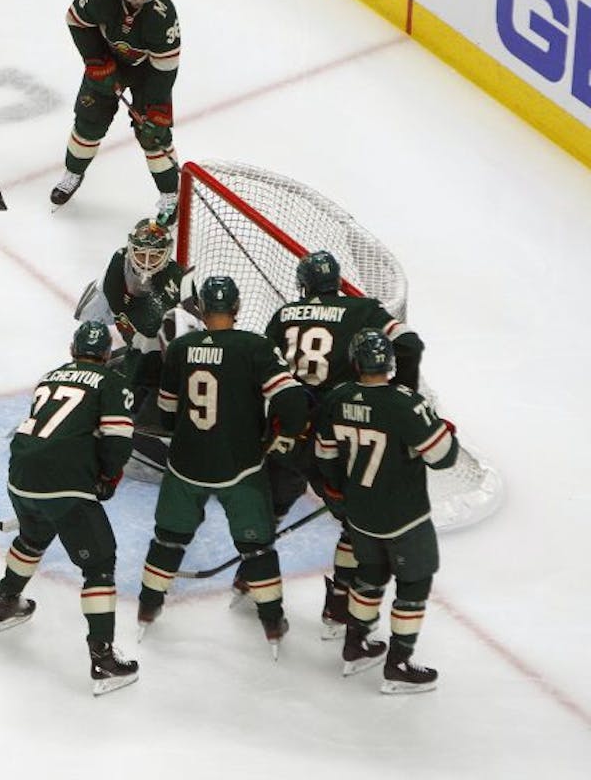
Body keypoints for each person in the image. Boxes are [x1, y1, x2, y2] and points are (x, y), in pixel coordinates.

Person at [137, 276, 308, 656]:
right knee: (257, 548)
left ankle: (148, 608)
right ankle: (272, 623)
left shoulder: (181, 348)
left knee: (168, 539)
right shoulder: (254, 347)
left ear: (202, 308)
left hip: (185, 463)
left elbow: (165, 414)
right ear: (237, 307)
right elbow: (293, 400)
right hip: (240, 465)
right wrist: (286, 438)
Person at [262, 249, 425, 635]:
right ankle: (338, 609)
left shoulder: (284, 314)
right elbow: (410, 344)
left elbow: (264, 370)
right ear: (337, 282)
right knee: (355, 526)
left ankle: (250, 582)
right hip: (332, 435)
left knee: (271, 507)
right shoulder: (361, 310)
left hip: (285, 430)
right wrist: (397, 399)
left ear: (304, 284)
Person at [0, 321, 140, 695]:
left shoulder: (50, 377)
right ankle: (103, 660)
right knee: (99, 565)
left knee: (32, 536)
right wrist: (107, 477)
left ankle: (7, 602)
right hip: (65, 484)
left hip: (19, 475)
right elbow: (119, 442)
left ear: (73, 349)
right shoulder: (111, 381)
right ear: (107, 353)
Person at [313, 329, 458, 693]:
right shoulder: (405, 403)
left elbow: (325, 458)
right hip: (404, 517)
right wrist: (444, 432)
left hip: (359, 515)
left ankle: (356, 644)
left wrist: (340, 496)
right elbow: (444, 458)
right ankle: (399, 663)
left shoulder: (336, 398)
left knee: (369, 575)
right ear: (390, 363)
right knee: (414, 582)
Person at [50, 0, 181, 224]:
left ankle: (170, 194)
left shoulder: (162, 15)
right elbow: (76, 20)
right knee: (88, 122)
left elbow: (166, 66)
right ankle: (73, 173)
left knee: (154, 134)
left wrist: (156, 108)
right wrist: (96, 60)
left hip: (148, 73)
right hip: (109, 59)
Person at [73, 217, 195, 424]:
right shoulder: (118, 265)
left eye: (154, 256)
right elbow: (97, 312)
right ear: (130, 248)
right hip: (136, 354)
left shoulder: (180, 280)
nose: (146, 262)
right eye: (140, 253)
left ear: (166, 254)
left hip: (165, 366)